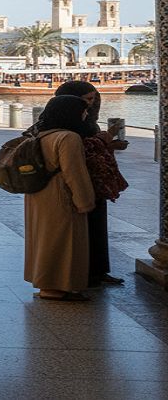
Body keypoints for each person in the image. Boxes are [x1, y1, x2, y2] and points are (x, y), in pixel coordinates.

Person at [54, 81, 129, 287]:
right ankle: (82, 274)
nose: (90, 105)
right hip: (76, 184)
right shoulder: (65, 121)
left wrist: (107, 143)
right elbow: (77, 150)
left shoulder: (87, 122)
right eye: (86, 100)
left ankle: (97, 270)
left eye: (93, 99)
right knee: (81, 231)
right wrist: (107, 139)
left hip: (94, 183)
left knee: (97, 227)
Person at [25, 94, 96, 301]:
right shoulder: (68, 138)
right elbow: (74, 174)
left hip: (38, 193)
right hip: (60, 195)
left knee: (43, 239)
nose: (85, 115)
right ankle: (55, 287)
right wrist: (85, 201)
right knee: (62, 241)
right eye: (83, 111)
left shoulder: (40, 134)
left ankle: (45, 282)